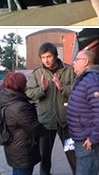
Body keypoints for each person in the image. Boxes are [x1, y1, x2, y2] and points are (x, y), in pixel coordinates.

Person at [26, 42, 76, 175]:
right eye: (43, 57)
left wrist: (62, 87)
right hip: (45, 123)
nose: (46, 60)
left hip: (66, 122)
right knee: (44, 157)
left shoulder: (69, 70)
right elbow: (29, 93)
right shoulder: (38, 73)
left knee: (72, 153)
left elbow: (78, 91)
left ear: (55, 56)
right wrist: (42, 89)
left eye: (48, 56)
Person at [67, 50, 99, 175]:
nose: (73, 63)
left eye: (76, 60)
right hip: (82, 136)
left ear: (85, 62)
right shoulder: (85, 79)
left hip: (88, 140)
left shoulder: (93, 80)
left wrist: (93, 138)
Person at [0, 72, 46, 175]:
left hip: (14, 148)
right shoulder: (20, 107)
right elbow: (34, 128)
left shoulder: (7, 100)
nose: (27, 84)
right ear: (19, 85)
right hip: (23, 151)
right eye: (25, 82)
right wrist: (45, 128)